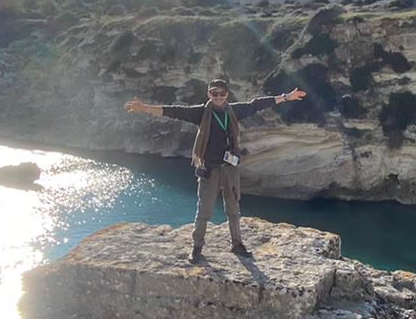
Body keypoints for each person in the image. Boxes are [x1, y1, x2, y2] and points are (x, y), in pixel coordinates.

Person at [125, 79, 308, 262]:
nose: (218, 97)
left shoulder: (234, 111)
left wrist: (286, 97)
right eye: (214, 93)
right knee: (204, 211)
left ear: (227, 94)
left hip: (230, 168)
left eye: (221, 93)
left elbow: (258, 105)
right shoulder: (201, 113)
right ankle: (197, 248)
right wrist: (144, 108)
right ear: (209, 94)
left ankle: (237, 244)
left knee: (233, 209)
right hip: (209, 169)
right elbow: (173, 111)